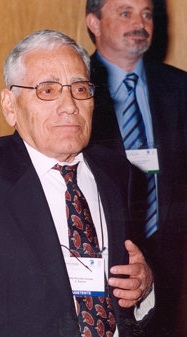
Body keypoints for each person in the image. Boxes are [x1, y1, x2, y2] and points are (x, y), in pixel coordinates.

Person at [0, 30, 154, 337]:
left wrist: (143, 287)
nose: (70, 106)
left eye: (79, 89)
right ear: (10, 105)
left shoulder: (119, 173)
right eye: (47, 91)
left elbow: (129, 283)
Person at [85, 0, 187, 336]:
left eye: (146, 14)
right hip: (100, 263)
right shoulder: (73, 87)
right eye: (125, 12)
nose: (140, 22)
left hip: (174, 265)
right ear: (94, 23)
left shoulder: (179, 87)